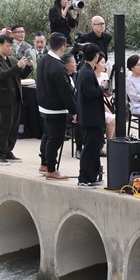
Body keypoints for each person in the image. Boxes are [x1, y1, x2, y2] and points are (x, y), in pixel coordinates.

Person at [37, 33, 77, 180]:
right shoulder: (58, 66)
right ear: (63, 46)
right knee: (56, 138)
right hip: (55, 108)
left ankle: (44, 164)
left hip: (43, 105)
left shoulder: (43, 60)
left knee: (47, 135)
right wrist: (74, 111)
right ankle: (51, 169)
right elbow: (65, 92)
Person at [0, 34, 32, 164]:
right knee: (5, 126)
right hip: (4, 98)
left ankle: (8, 151)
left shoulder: (12, 59)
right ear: (0, 45)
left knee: (14, 127)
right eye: (7, 46)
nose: (9, 48)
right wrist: (18, 66)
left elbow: (20, 75)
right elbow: (3, 75)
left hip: (16, 97)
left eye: (10, 46)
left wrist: (28, 67)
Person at [76, 46, 107, 187]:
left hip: (91, 117)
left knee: (94, 148)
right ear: (96, 56)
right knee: (89, 149)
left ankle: (93, 175)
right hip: (90, 117)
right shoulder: (86, 72)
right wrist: (102, 87)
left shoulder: (86, 70)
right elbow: (90, 94)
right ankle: (84, 178)